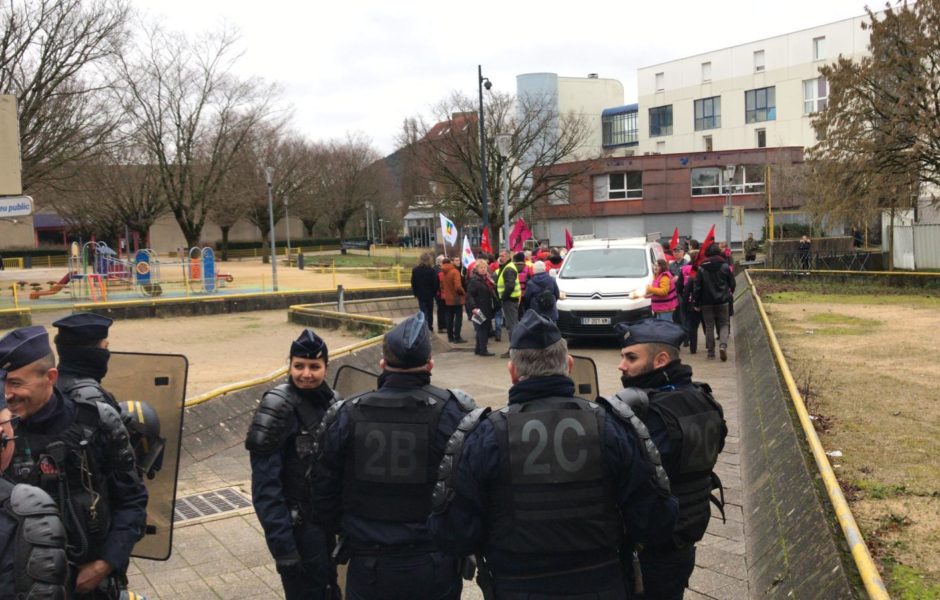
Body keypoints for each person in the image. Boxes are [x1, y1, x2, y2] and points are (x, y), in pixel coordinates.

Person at [428, 310, 678, 599]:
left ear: (512, 371)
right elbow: (656, 520)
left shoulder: (484, 436)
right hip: (601, 584)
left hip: (516, 587)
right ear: (569, 365)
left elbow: (452, 534)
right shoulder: (612, 428)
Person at [313, 312, 478, 600]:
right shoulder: (454, 412)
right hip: (433, 564)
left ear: (382, 364)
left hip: (369, 565)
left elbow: (322, 493)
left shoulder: (347, 414)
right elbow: (472, 491)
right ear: (429, 364)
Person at [0, 326, 148, 598]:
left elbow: (132, 500)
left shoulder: (96, 422)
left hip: (91, 584)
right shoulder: (4, 435)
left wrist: (105, 564)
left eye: (16, 383)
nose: (7, 394)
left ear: (51, 377)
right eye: (2, 384)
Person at [611, 320, 727, 600]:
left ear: (661, 360)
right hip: (686, 536)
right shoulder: (705, 400)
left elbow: (624, 478)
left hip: (647, 547)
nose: (621, 365)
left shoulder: (648, 415)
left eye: (631, 357)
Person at [245, 329, 341, 600]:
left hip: (328, 525)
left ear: (326, 367)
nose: (306, 374)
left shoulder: (334, 401)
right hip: (297, 531)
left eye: (314, 366)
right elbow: (265, 489)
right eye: (299, 366)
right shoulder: (276, 408)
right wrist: (283, 548)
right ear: (289, 365)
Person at [52, 312, 121, 412]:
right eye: (105, 347)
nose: (107, 353)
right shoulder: (96, 402)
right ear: (91, 353)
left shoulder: (50, 387)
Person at [692, 245, 735, 361]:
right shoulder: (725, 266)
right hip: (722, 301)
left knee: (709, 326)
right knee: (724, 324)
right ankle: (723, 345)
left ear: (707, 254)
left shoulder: (701, 268)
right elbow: (732, 283)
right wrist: (728, 293)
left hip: (706, 302)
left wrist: (696, 302)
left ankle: (711, 353)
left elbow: (697, 287)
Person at [465, 259, 498, 357]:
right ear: (477, 269)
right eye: (481, 268)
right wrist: (473, 307)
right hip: (479, 308)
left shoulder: (486, 279)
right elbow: (470, 295)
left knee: (482, 328)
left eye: (485, 267)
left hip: (486, 307)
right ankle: (483, 350)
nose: (483, 269)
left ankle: (479, 349)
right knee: (482, 329)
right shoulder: (474, 280)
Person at [495, 249, 521, 358]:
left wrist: (503, 298)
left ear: (508, 257)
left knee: (512, 326)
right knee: (512, 325)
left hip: (509, 301)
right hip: (510, 300)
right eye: (500, 256)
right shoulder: (507, 267)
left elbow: (510, 286)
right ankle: (515, 349)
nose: (501, 258)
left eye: (503, 256)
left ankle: (514, 350)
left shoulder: (508, 268)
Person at [439, 258, 467, 344]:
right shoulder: (455, 272)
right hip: (457, 298)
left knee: (449, 318)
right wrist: (463, 293)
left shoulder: (442, 272)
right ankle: (457, 337)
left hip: (448, 298)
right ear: (451, 262)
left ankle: (450, 337)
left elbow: (442, 286)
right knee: (458, 318)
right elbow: (458, 286)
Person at [411, 253, 440, 332]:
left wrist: (415, 293)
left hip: (420, 294)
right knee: (430, 311)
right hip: (430, 294)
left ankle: (424, 327)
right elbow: (435, 283)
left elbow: (413, 282)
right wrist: (434, 292)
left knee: (423, 311)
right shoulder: (432, 270)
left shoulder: (415, 270)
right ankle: (430, 327)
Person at [434, 255, 448, 334]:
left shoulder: (435, 269)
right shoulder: (439, 271)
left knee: (442, 310)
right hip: (441, 294)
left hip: (439, 293)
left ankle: (443, 326)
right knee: (442, 310)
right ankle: (442, 326)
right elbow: (437, 284)